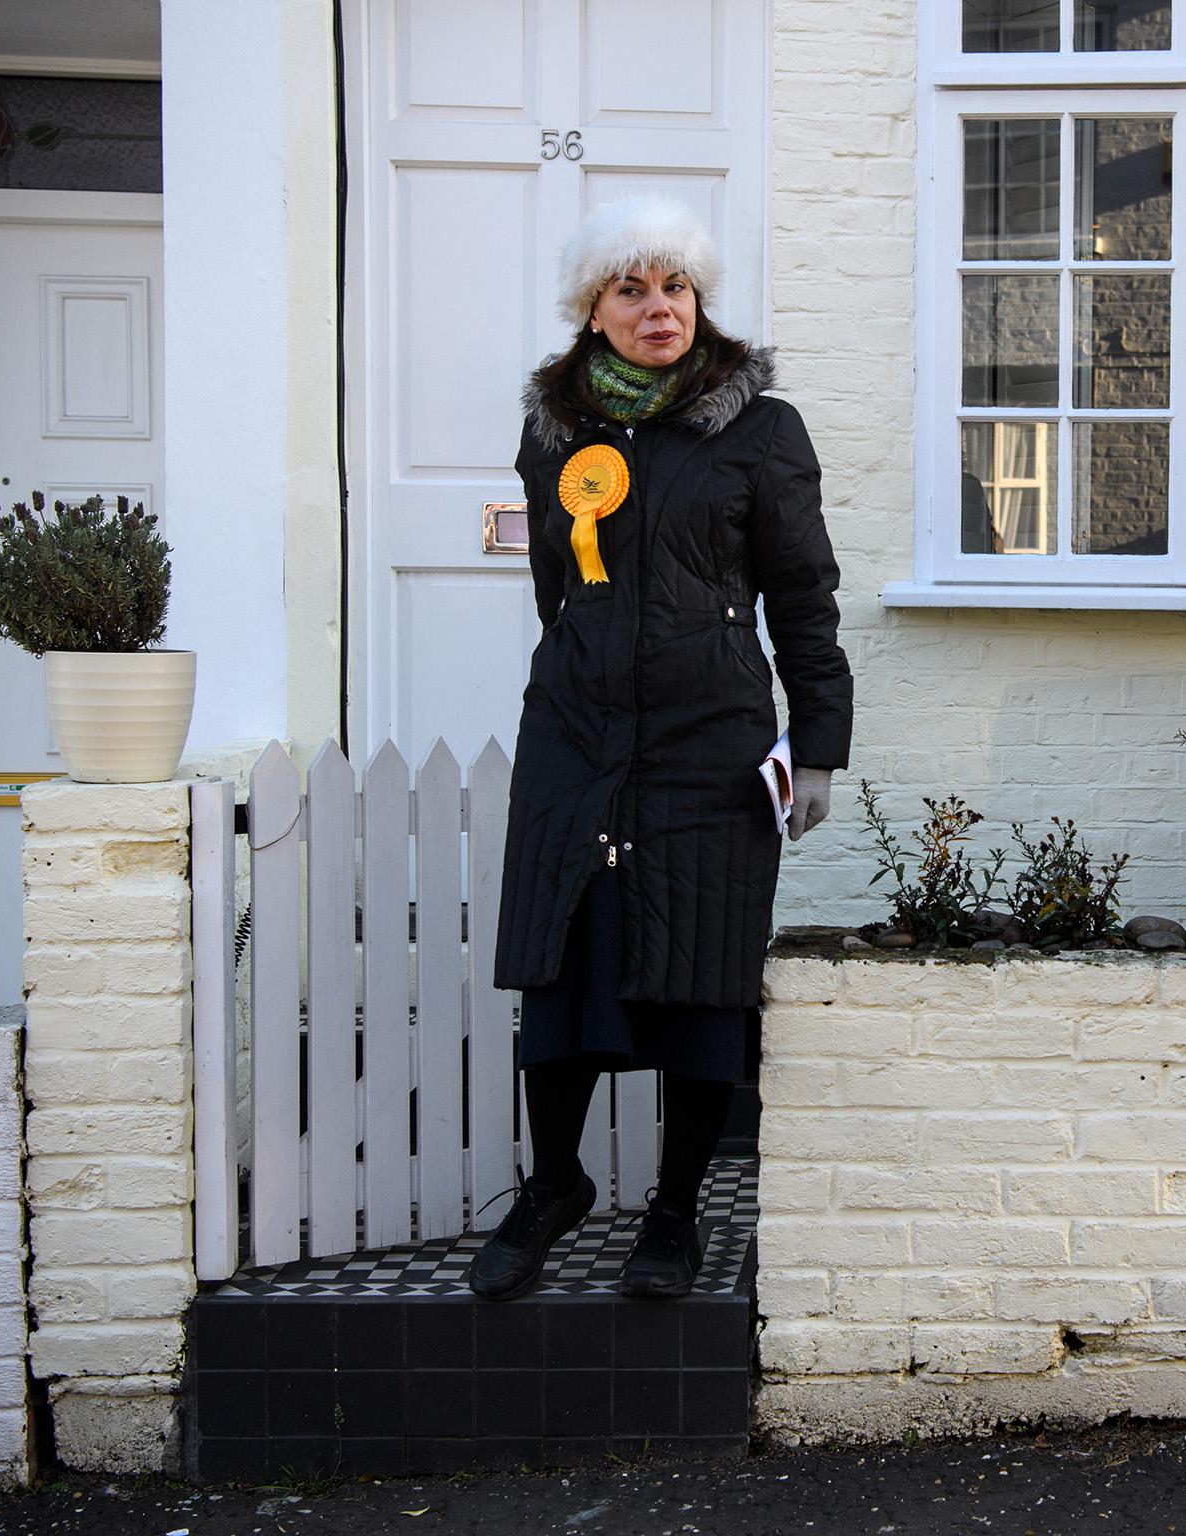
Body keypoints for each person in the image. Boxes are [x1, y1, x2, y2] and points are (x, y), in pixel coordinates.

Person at [472, 195, 852, 1301]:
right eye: (631, 290)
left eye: (674, 287)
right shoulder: (553, 432)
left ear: (699, 300)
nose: (657, 309)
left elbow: (803, 592)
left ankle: (676, 1213)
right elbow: (558, 591)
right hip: (576, 737)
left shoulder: (758, 430)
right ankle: (555, 1185)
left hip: (708, 745)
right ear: (591, 310)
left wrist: (815, 741)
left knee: (699, 974)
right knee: (561, 959)